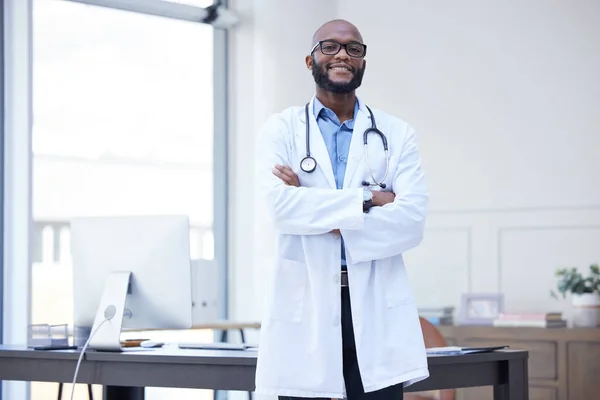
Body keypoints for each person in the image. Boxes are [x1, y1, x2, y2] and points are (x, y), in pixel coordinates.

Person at [254, 19, 429, 400]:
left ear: (363, 63)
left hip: (375, 303)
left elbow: (411, 221)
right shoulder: (280, 130)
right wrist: (367, 200)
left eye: (354, 49)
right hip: (308, 304)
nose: (343, 55)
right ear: (310, 59)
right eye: (330, 46)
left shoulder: (397, 133)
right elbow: (280, 208)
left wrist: (314, 207)